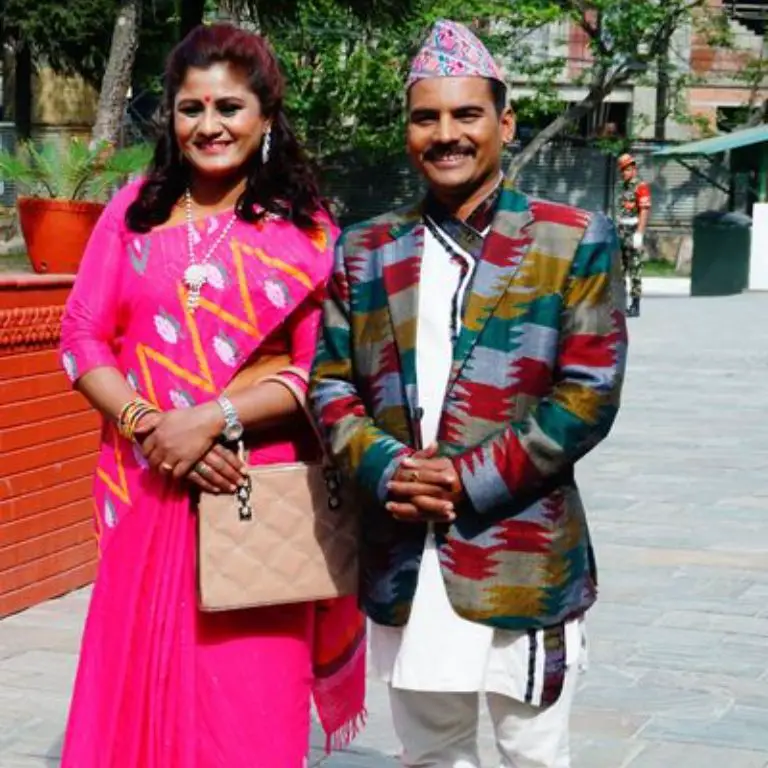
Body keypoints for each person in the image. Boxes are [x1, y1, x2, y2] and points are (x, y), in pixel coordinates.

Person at [310, 19, 627, 768]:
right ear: (408, 131)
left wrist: (462, 477)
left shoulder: (571, 238)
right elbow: (330, 381)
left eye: (466, 114)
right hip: (403, 549)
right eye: (427, 117)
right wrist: (388, 467)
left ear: (504, 122)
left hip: (520, 548)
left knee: (534, 751)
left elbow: (587, 394)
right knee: (428, 752)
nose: (445, 134)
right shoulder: (365, 247)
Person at [59, 24, 364, 768]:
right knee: (134, 696)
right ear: (170, 117)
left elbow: (323, 367)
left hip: (252, 499)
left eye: (229, 106)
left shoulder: (304, 231)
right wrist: (152, 428)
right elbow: (81, 338)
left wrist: (213, 419)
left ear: (264, 116)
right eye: (191, 108)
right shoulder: (131, 214)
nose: (209, 125)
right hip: (147, 488)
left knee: (246, 712)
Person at [616, 152, 652, 317]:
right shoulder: (621, 186)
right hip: (621, 231)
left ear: (634, 169)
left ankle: (635, 305)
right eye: (622, 169)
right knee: (620, 269)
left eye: (627, 169)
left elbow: (644, 210)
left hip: (633, 231)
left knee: (635, 268)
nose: (625, 172)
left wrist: (640, 233)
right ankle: (620, 304)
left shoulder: (641, 187)